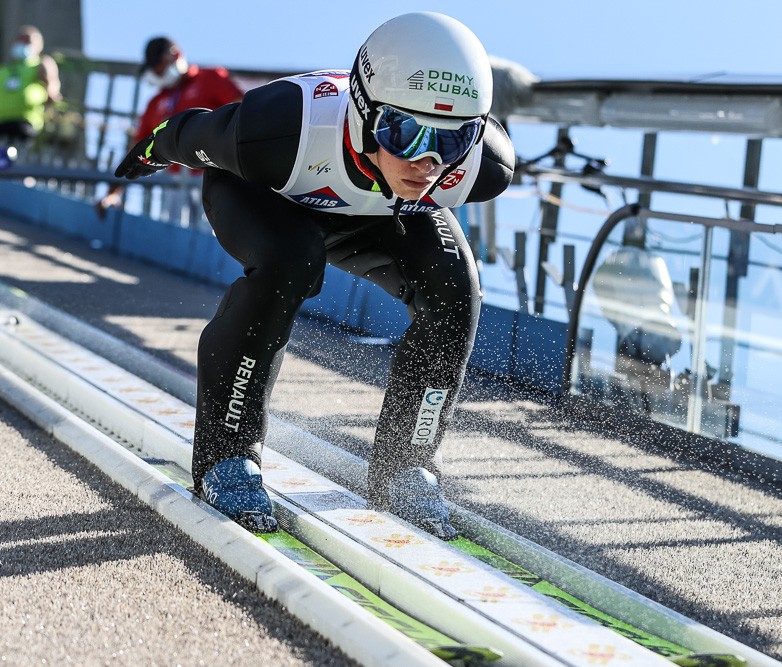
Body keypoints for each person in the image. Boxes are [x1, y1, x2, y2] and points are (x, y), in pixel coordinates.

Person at [115, 12, 515, 539]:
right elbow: (188, 132)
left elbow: (436, 158)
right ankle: (227, 454)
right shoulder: (279, 128)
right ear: (366, 115)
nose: (429, 163)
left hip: (379, 211)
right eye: (406, 133)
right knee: (290, 262)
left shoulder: (484, 166)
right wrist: (150, 149)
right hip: (267, 189)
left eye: (454, 138)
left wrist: (425, 143)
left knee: (457, 291)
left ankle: (406, 464)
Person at [97, 36, 243, 221]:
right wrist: (113, 192)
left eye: (161, 67)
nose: (158, 73)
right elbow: (136, 150)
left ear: (176, 55)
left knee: (213, 230)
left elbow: (242, 111)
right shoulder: (155, 102)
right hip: (174, 184)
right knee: (174, 229)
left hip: (217, 175)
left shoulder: (210, 78)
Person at [0, 25, 61, 145]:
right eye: (20, 40)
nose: (23, 44)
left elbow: (52, 90)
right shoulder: (4, 70)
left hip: (24, 123)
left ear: (38, 47)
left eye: (27, 42)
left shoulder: (40, 65)